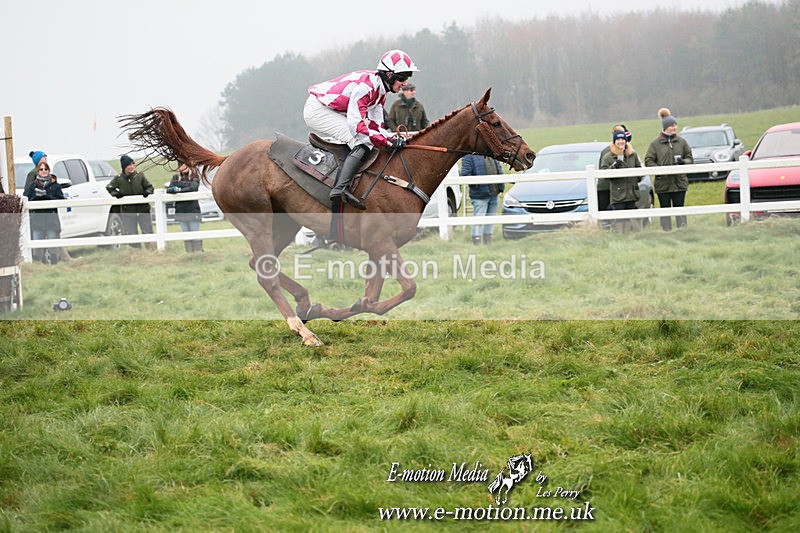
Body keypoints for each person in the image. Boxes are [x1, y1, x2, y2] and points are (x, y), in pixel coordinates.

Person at [303, 49, 419, 210]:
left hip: (332, 109)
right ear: (389, 75)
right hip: (318, 110)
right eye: (402, 78)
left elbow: (376, 125)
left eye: (408, 78)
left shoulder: (380, 90)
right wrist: (386, 141)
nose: (405, 83)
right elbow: (357, 127)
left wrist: (390, 138)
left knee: (370, 139)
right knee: (360, 140)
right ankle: (340, 189)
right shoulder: (367, 88)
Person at [645, 108, 693, 231]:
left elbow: (690, 158)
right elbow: (649, 160)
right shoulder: (655, 144)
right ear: (665, 127)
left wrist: (683, 162)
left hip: (679, 182)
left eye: (675, 125)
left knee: (680, 209)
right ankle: (666, 232)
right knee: (665, 210)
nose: (674, 128)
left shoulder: (682, 142)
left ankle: (682, 231)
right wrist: (659, 170)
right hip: (663, 183)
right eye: (671, 125)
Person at [24, 150, 73, 262]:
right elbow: (27, 196)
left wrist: (49, 197)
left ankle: (60, 262)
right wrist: (37, 197)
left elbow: (60, 198)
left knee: (53, 241)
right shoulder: (32, 176)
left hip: (51, 217)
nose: (43, 170)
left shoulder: (54, 183)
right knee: (38, 244)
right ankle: (41, 264)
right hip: (38, 217)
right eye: (43, 158)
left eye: (46, 169)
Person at [106, 154, 154, 248]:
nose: (132, 167)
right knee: (131, 233)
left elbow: (150, 187)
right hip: (128, 212)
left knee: (147, 231)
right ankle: (136, 253)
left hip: (143, 210)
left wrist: (146, 192)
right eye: (129, 165)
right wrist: (117, 194)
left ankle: (151, 251)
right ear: (124, 167)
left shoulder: (139, 175)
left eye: (133, 164)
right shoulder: (119, 178)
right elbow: (109, 187)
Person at [600, 130, 642, 233]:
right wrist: (614, 167)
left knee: (631, 217)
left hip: (632, 193)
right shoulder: (608, 157)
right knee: (619, 218)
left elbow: (640, 170)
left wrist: (636, 181)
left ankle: (632, 237)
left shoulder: (633, 155)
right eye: (618, 139)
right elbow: (603, 175)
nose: (620, 141)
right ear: (614, 141)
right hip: (618, 194)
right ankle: (619, 237)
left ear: (626, 140)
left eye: (623, 139)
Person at [462, 154, 504, 245]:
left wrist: (501, 186)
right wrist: (477, 187)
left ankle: (487, 242)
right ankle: (476, 242)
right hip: (479, 195)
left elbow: (499, 170)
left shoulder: (492, 154)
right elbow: (465, 174)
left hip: (494, 192)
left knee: (491, 219)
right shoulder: (469, 156)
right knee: (478, 219)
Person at [166, 163, 203, 252]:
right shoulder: (175, 177)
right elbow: (169, 189)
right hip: (180, 210)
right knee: (185, 234)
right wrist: (176, 189)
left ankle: (198, 253)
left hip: (192, 209)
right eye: (181, 164)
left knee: (195, 232)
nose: (183, 166)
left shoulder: (194, 176)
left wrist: (179, 190)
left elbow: (193, 188)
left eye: (184, 164)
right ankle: (189, 254)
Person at [597, 125, 631, 211]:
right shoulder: (608, 152)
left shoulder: (627, 151)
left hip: (609, 186)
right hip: (609, 186)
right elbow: (604, 170)